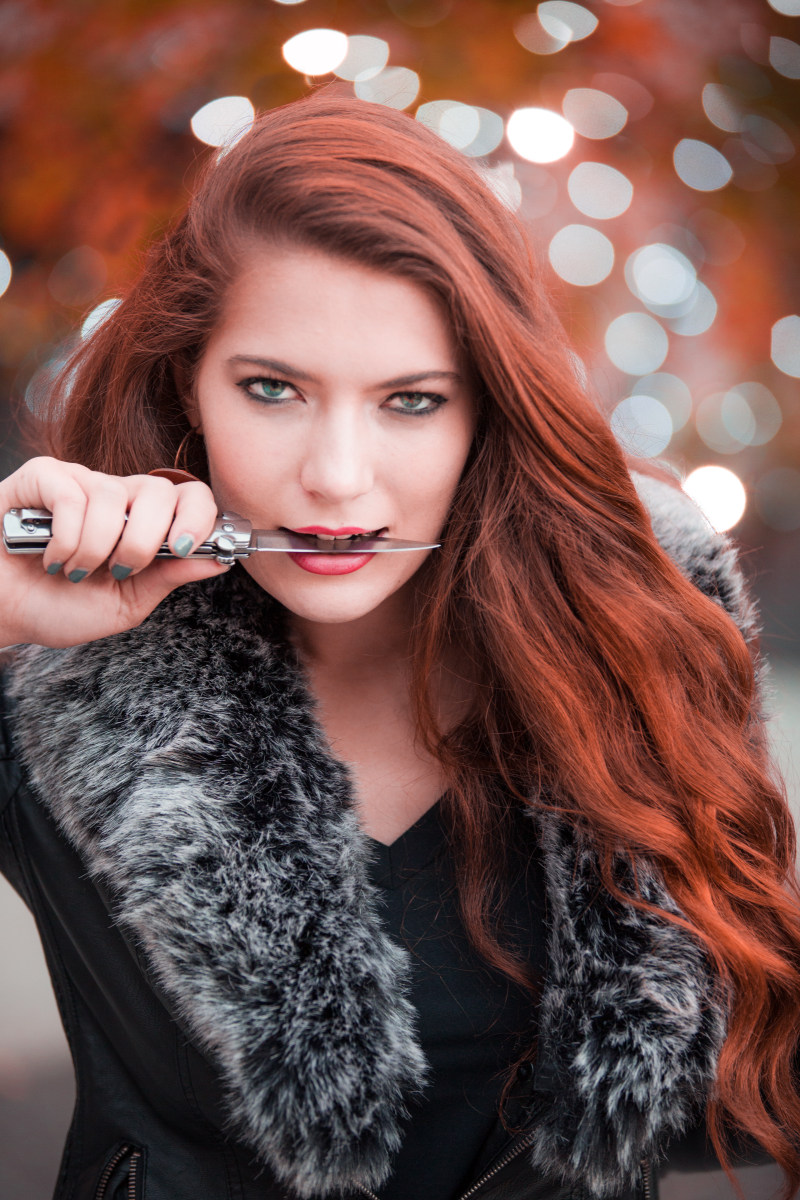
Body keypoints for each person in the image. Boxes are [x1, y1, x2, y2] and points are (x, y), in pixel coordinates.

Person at [0, 85, 798, 1200]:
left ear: (486, 413)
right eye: (272, 389)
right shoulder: (59, 683)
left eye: (410, 402)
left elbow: (746, 1085)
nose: (335, 477)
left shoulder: (635, 638)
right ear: (190, 385)